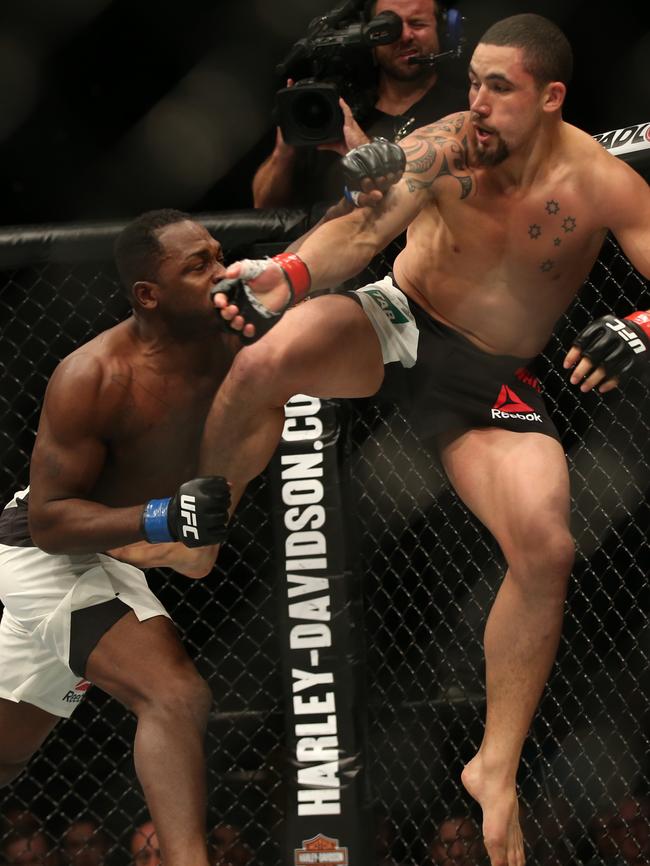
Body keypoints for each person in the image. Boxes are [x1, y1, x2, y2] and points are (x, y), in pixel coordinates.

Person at [200, 12, 650, 866]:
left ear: (552, 98)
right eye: (473, 79)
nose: (475, 101)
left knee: (547, 545)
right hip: (398, 320)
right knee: (271, 356)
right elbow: (365, 231)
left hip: (486, 377)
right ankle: (205, 519)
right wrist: (285, 276)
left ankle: (496, 767)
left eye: (500, 87)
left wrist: (640, 323)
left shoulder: (604, 184)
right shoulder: (450, 143)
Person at [0, 209, 239, 866]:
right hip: (46, 551)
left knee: (5, 753)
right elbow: (51, 522)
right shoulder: (94, 375)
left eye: (220, 254)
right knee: (175, 693)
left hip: (116, 556)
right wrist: (163, 518)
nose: (221, 272)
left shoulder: (238, 336)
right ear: (148, 295)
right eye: (198, 265)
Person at [251, 0, 467, 209]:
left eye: (417, 24)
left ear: (445, 30)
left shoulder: (466, 110)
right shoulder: (332, 110)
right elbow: (265, 205)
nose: (405, 36)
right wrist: (284, 152)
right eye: (387, 27)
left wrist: (363, 151)